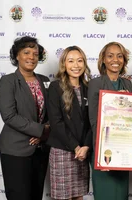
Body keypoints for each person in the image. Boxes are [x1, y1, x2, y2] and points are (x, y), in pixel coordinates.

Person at [0, 36, 50, 200]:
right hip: (15, 150)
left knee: (36, 195)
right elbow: (9, 116)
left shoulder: (45, 81)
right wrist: (40, 130)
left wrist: (45, 134)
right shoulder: (8, 81)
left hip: (40, 150)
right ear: (16, 56)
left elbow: (53, 113)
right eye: (26, 52)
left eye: (35, 53)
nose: (31, 57)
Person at [88, 42, 132, 200]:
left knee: (120, 195)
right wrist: (101, 156)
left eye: (119, 56)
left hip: (123, 150)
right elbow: (94, 121)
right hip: (104, 150)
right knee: (105, 195)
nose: (115, 59)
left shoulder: (127, 83)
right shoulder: (95, 83)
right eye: (110, 55)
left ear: (124, 60)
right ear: (103, 60)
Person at [46, 46, 92, 200]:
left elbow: (93, 121)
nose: (76, 65)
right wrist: (75, 146)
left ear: (85, 64)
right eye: (71, 61)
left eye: (80, 61)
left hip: (82, 153)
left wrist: (85, 146)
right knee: (63, 197)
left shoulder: (89, 88)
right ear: (64, 64)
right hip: (63, 150)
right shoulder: (55, 87)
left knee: (78, 196)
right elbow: (56, 122)